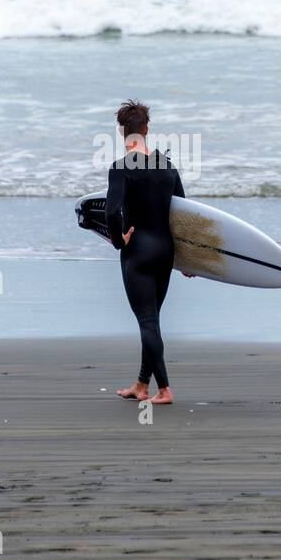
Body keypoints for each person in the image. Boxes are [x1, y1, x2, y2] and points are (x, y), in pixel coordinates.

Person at [107, 100, 188, 405]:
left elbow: (113, 212)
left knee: (147, 322)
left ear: (122, 132)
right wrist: (186, 259)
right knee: (151, 319)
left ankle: (164, 389)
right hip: (165, 251)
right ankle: (141, 385)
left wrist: (119, 240)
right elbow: (183, 215)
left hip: (138, 252)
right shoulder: (167, 167)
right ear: (147, 130)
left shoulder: (120, 168)